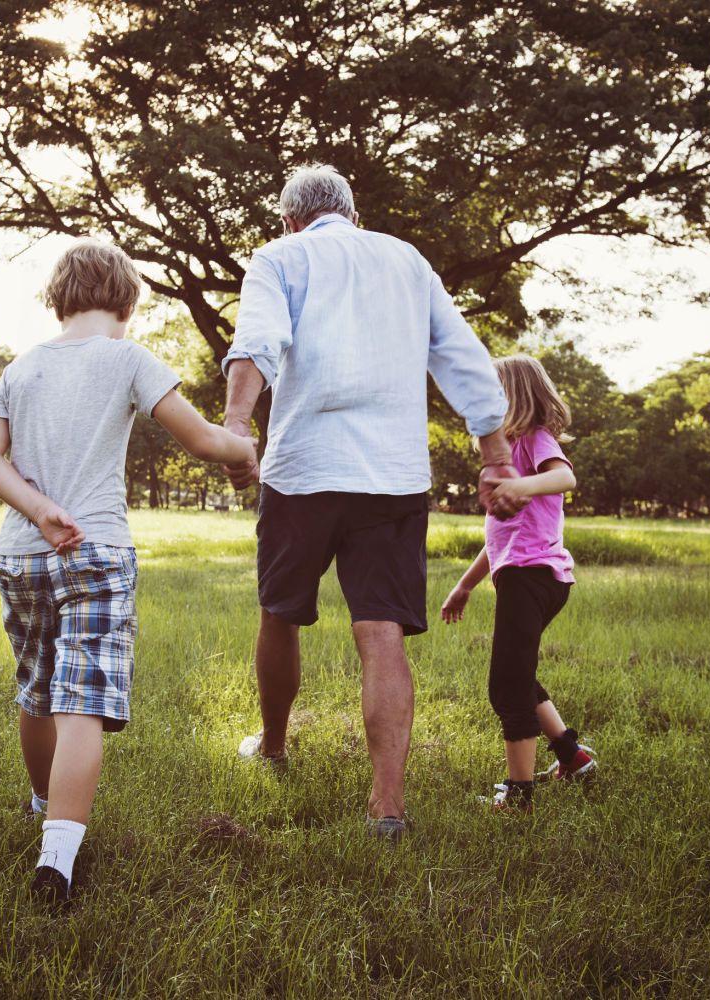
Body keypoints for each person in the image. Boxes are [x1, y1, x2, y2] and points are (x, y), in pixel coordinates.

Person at [220, 164, 525, 841]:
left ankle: (273, 746)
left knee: (280, 613)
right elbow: (462, 356)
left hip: (302, 469)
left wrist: (237, 427)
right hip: (392, 473)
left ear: (290, 220)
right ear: (354, 215)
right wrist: (496, 455)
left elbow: (258, 342)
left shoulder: (279, 256)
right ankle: (387, 804)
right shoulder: (407, 260)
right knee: (382, 632)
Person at [0, 237, 256, 905]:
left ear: (58, 299)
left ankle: (44, 804)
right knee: (82, 704)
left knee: (38, 691)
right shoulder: (129, 358)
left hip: (21, 553)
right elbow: (203, 438)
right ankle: (58, 862)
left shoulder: (22, 366)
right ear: (127, 301)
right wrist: (245, 451)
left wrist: (40, 510)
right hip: (95, 550)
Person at [439, 354, 595, 812]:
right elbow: (499, 543)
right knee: (518, 676)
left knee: (506, 687)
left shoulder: (534, 440)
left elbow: (565, 476)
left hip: (534, 577)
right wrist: (465, 585)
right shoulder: (508, 452)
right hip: (524, 575)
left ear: (511, 396)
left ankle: (520, 795)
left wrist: (519, 486)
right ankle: (573, 758)